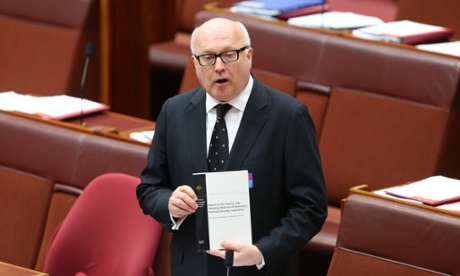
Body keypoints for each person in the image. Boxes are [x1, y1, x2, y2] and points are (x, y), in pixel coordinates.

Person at [137, 17, 327, 276]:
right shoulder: (174, 111)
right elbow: (149, 188)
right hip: (191, 268)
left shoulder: (288, 116)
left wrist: (262, 252)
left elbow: (311, 207)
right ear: (195, 63)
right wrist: (170, 204)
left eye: (228, 55)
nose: (218, 67)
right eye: (207, 58)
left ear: (248, 56)